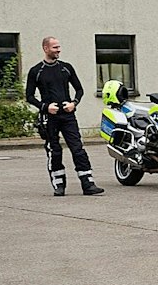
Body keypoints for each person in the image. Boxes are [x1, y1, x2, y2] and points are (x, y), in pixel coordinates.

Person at [24, 36, 103, 196]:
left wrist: (74, 103)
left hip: (68, 116)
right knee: (55, 150)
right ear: (46, 49)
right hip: (49, 118)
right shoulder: (36, 71)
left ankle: (88, 184)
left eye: (59, 47)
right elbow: (29, 96)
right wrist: (45, 107)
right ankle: (59, 185)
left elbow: (79, 89)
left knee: (77, 148)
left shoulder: (66, 68)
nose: (58, 50)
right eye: (55, 47)